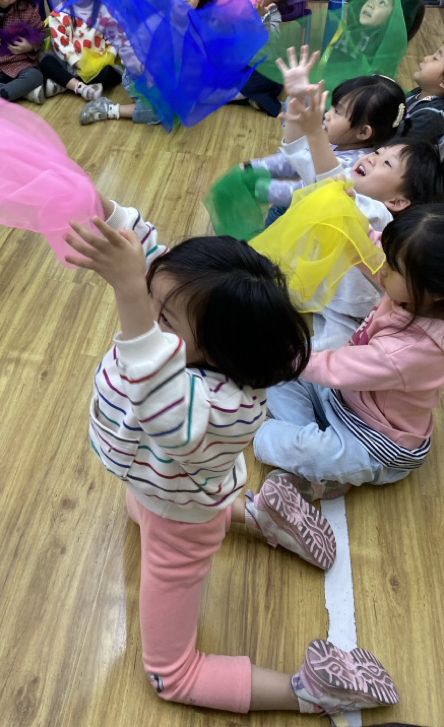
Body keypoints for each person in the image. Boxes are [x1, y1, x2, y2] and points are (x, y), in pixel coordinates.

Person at [64, 198, 399, 718]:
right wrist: (103, 209)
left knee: (169, 674)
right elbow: (157, 266)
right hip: (160, 484)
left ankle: (310, 691)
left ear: (219, 352)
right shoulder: (198, 316)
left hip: (181, 518)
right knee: (137, 508)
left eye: (162, 316)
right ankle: (260, 513)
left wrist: (129, 292)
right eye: (149, 295)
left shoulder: (223, 407)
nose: (147, 313)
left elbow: (161, 400)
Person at [252, 202, 444, 505]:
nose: (383, 269)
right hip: (345, 399)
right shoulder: (413, 290)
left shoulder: (411, 351)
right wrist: (345, 218)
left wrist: (287, 354)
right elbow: (372, 250)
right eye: (388, 259)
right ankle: (321, 469)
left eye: (393, 268)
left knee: (277, 438)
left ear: (434, 291)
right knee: (281, 376)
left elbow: (337, 368)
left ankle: (309, 456)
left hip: (378, 441)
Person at [272, 50, 443, 348]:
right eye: (378, 152)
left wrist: (315, 133)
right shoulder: (346, 173)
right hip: (316, 283)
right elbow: (298, 152)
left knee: (327, 353)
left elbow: (334, 184)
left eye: (386, 163)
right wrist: (297, 98)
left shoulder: (379, 216)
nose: (372, 158)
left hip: (350, 308)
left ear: (398, 201)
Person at [250, 47, 407, 217]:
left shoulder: (356, 167)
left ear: (363, 132)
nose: (327, 115)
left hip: (298, 213)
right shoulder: (338, 140)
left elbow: (303, 186)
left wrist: (259, 188)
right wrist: (298, 97)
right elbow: (297, 156)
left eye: (337, 111)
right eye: (332, 107)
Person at [79, 0, 217, 125]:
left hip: (169, 75)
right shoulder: (156, 23)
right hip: (140, 74)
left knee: (186, 105)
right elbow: (132, 50)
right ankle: (110, 109)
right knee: (160, 111)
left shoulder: (197, 23)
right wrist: (146, 71)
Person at [41, 0, 126, 103]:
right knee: (46, 61)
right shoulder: (61, 11)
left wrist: (109, 57)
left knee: (112, 74)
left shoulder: (106, 9)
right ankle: (80, 87)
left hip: (98, 63)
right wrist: (75, 61)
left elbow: (116, 36)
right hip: (69, 62)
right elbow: (61, 42)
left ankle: (64, 84)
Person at [232, 0, 298, 116]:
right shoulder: (242, 6)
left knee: (265, 79)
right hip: (240, 63)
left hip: (261, 67)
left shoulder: (273, 14)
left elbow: (269, 38)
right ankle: (247, 95)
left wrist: (257, 19)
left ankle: (248, 95)